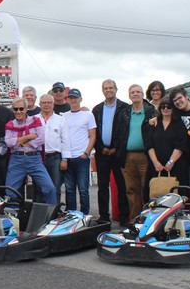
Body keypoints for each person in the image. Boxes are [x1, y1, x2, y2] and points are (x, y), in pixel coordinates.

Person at [92, 79, 130, 225]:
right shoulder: (97, 109)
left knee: (122, 185)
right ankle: (103, 216)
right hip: (102, 153)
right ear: (102, 91)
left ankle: (124, 217)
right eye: (105, 88)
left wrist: (116, 148)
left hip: (118, 153)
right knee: (102, 186)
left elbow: (125, 131)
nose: (108, 90)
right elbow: (94, 131)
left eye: (111, 88)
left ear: (116, 89)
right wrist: (101, 148)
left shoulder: (125, 108)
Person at [4, 97, 55, 203]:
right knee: (10, 192)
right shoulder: (10, 124)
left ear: (26, 109)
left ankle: (51, 215)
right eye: (15, 109)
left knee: (49, 188)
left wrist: (19, 142)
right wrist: (28, 137)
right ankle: (14, 217)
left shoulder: (36, 121)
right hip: (16, 160)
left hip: (34, 159)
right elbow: (8, 143)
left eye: (21, 109)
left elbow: (41, 139)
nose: (18, 111)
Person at [121, 84, 156, 217]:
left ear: (143, 95)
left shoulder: (151, 111)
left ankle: (149, 219)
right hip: (128, 156)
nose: (135, 94)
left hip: (146, 156)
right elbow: (119, 134)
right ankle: (135, 219)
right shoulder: (124, 113)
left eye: (138, 92)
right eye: (132, 92)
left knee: (147, 189)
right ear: (129, 96)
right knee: (131, 189)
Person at [61, 88, 96, 214]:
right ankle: (71, 215)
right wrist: (64, 157)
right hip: (69, 157)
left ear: (81, 99)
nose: (74, 100)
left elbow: (93, 135)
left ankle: (84, 215)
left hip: (82, 157)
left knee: (83, 189)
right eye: (71, 98)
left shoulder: (88, 115)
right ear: (68, 100)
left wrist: (86, 153)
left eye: (76, 98)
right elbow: (62, 137)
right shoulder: (64, 116)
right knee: (70, 189)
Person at [144, 98, 188, 197]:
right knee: (154, 194)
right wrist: (156, 163)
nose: (166, 109)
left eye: (169, 107)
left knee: (176, 194)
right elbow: (149, 144)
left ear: (173, 109)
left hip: (176, 165)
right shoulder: (155, 123)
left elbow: (180, 145)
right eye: (163, 106)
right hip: (156, 166)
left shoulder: (179, 124)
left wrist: (171, 162)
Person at [38, 93, 67, 205]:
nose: (46, 105)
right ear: (40, 104)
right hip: (38, 157)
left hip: (55, 157)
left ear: (53, 104)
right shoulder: (34, 119)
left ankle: (54, 214)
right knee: (39, 187)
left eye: (49, 102)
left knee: (55, 187)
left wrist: (65, 159)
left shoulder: (61, 120)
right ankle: (39, 216)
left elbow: (65, 140)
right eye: (44, 103)